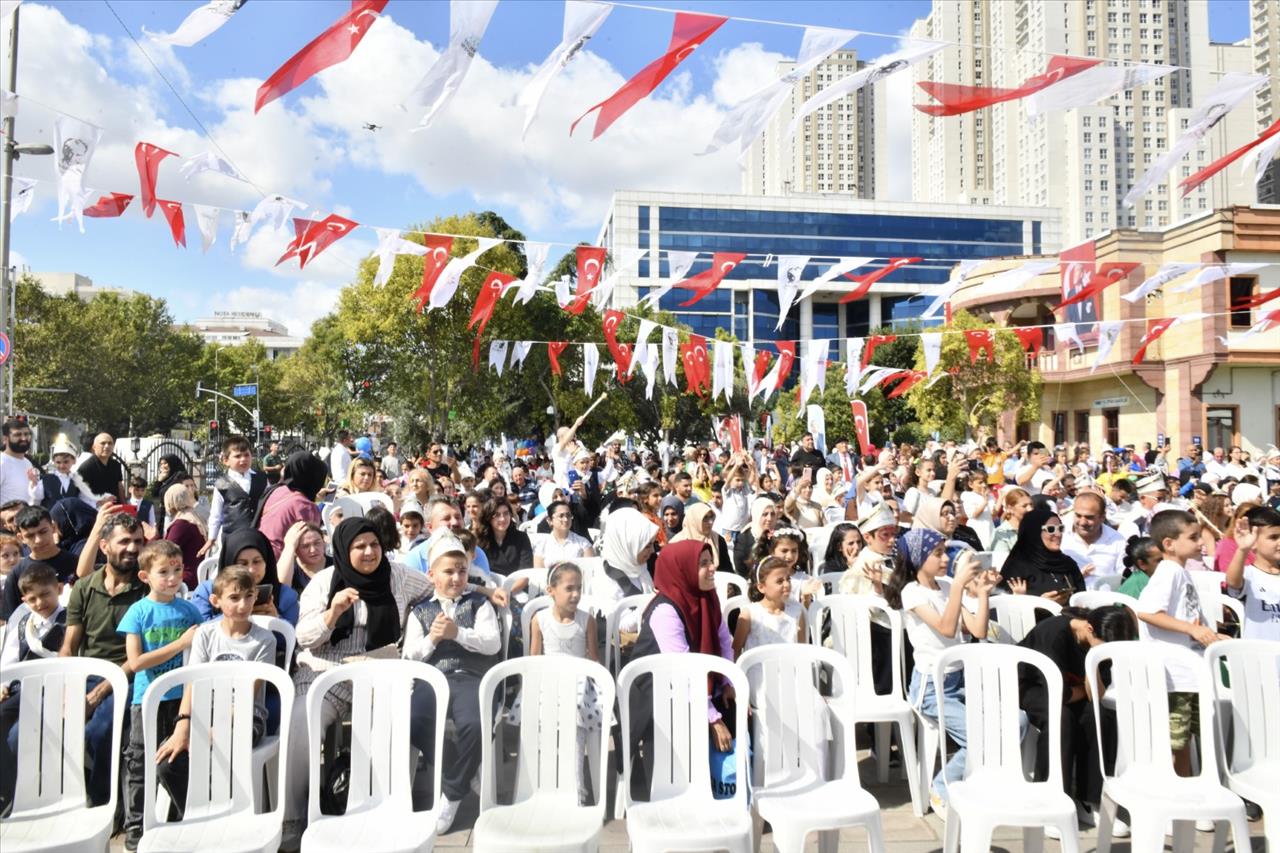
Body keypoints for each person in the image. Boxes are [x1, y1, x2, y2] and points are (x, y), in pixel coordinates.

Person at [283, 517, 432, 846]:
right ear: (343, 549)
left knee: (400, 718)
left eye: (374, 545)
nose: (369, 552)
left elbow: (434, 593)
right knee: (300, 723)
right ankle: (295, 817)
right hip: (326, 668)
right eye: (359, 546)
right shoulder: (324, 583)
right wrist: (331, 614)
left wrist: (419, 626)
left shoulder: (399, 576)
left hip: (381, 664)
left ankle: (392, 804)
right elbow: (305, 637)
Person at [884, 528, 997, 814]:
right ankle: (942, 786)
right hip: (931, 688)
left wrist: (982, 594)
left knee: (1016, 721)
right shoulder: (912, 592)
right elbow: (947, 628)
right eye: (937, 553)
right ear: (920, 558)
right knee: (981, 735)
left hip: (961, 681)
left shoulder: (946, 586)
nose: (945, 558)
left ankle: (974, 777)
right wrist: (958, 587)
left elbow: (978, 629)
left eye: (945, 551)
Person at [153, 564, 277, 820]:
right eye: (234, 597)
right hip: (204, 714)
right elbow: (193, 682)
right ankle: (198, 814)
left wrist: (215, 728)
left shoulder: (264, 640)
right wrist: (183, 727)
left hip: (244, 716)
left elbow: (248, 694)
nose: (243, 604)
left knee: (219, 748)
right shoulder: (206, 634)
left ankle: (222, 814)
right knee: (168, 763)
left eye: (249, 596)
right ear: (216, 601)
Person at [403, 533, 501, 834]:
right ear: (432, 575)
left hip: (470, 678)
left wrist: (458, 633)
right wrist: (433, 638)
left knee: (475, 723)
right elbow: (410, 656)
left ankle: (452, 794)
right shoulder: (421, 611)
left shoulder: (478, 604)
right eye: (449, 571)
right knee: (411, 718)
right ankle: (460, 769)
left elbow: (492, 644)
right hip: (433, 679)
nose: (457, 577)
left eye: (461, 570)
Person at [1017, 606, 1138, 830]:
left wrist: (1093, 661)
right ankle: (1050, 799)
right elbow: (1058, 694)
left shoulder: (1103, 642)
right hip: (1028, 685)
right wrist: (1082, 688)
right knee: (1061, 719)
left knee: (1099, 715)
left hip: (1068, 690)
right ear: (1089, 628)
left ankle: (1088, 799)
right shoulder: (1054, 634)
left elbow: (1096, 694)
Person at [629, 540, 735, 792]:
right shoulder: (665, 610)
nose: (712, 569)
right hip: (657, 691)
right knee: (693, 721)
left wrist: (729, 682)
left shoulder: (708, 597)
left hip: (696, 683)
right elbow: (682, 670)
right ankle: (675, 792)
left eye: (711, 562)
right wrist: (713, 718)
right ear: (683, 569)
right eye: (703, 564)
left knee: (740, 711)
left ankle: (726, 788)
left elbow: (724, 642)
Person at [117, 539, 202, 850]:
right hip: (147, 698)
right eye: (163, 572)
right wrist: (179, 645)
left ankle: (186, 819)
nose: (172, 578)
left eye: (177, 570)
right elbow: (136, 661)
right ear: (145, 576)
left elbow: (203, 649)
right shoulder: (138, 612)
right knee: (139, 764)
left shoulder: (190, 610)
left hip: (182, 700)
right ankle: (136, 830)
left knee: (177, 759)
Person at [1135, 509, 1226, 776]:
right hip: (1173, 675)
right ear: (1169, 544)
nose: (1200, 542)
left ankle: (1187, 790)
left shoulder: (1181, 573)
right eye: (1193, 537)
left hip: (1188, 674)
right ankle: (1172, 792)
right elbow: (1148, 612)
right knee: (1174, 742)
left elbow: (1189, 619)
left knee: (1184, 740)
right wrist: (1191, 630)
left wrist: (1212, 635)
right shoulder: (1168, 572)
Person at [526, 561, 604, 803]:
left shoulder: (586, 620)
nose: (576, 594)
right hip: (549, 680)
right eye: (569, 588)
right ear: (551, 590)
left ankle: (576, 788)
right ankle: (544, 786)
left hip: (579, 681)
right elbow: (534, 660)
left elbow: (593, 659)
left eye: (579, 588)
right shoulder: (539, 620)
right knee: (542, 712)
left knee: (574, 713)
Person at [0, 563, 65, 811]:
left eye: (46, 594)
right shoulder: (23, 624)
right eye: (33, 598)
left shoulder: (68, 619)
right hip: (21, 690)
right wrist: (4, 684)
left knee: (18, 736)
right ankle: (6, 789)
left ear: (58, 590)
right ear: (25, 600)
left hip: (52, 690)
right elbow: (9, 659)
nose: (40, 603)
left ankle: (26, 791)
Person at [191, 528, 299, 625]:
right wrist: (237, 614)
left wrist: (276, 620)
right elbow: (198, 632)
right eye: (242, 563)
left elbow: (292, 641)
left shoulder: (285, 596)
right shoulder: (207, 592)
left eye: (257, 562)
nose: (251, 570)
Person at [2, 505, 80, 618]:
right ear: (21, 538)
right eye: (30, 536)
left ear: (53, 527)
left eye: (43, 532)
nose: (38, 540)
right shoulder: (17, 573)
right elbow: (10, 618)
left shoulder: (76, 563)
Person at [1000, 508, 1086, 604]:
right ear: (1034, 532)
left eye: (1060, 528)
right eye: (1051, 529)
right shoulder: (1017, 567)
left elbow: (1082, 598)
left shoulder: (1067, 564)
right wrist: (1041, 603)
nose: (1058, 534)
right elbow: (1005, 609)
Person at [1222, 506, 1280, 641]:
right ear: (1253, 542)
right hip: (1258, 655)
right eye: (1273, 537)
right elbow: (1233, 582)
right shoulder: (1249, 575)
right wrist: (1243, 549)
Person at [256, 450, 327, 558]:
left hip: (260, 554)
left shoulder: (276, 489)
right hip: (281, 563)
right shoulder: (306, 507)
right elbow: (312, 543)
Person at [204, 435, 267, 553]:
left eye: (246, 455)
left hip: (258, 535)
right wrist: (211, 538)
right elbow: (216, 514)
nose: (243, 459)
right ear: (226, 460)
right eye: (237, 456)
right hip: (232, 537)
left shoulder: (262, 478)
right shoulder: (221, 484)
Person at [732, 556, 805, 656]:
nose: (787, 584)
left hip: (789, 669)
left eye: (788, 579)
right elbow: (736, 649)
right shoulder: (750, 614)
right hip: (758, 671)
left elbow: (803, 651)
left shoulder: (797, 611)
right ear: (761, 587)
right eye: (779, 581)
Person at [1061, 491, 1128, 585]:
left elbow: (1123, 578)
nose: (1082, 522)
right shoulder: (1060, 536)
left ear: (1102, 517)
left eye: (1089, 517)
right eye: (1078, 516)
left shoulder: (1117, 541)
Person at [595, 507, 660, 600]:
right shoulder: (606, 584)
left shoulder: (640, 568)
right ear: (627, 545)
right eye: (647, 546)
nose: (653, 550)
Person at [161, 484, 207, 588]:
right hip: (197, 575)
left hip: (186, 577)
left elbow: (164, 551)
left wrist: (152, 537)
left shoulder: (181, 524)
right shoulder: (193, 517)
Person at [474, 498, 533, 576]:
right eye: (497, 515)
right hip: (489, 585)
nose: (502, 519)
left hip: (517, 585)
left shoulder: (522, 538)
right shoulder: (480, 541)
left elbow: (526, 571)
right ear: (488, 518)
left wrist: (511, 588)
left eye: (506, 513)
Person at [670, 503, 734, 571]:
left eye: (711, 517)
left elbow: (727, 570)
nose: (710, 522)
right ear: (694, 520)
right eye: (705, 518)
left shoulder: (717, 540)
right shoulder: (676, 544)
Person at [533, 500, 594, 567]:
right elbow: (538, 574)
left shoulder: (583, 544)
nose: (566, 519)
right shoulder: (541, 546)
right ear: (550, 520)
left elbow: (589, 570)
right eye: (561, 516)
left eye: (568, 515)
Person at [31, 434, 81, 510]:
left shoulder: (77, 480)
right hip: (50, 519)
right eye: (58, 462)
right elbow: (36, 499)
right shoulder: (46, 479)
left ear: (74, 461)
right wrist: (34, 483)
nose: (62, 465)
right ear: (53, 462)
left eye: (66, 462)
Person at [733, 496, 778, 579]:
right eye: (765, 514)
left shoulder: (779, 533)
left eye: (772, 514)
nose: (769, 518)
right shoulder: (744, 538)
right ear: (756, 515)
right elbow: (740, 568)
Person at [279, 521, 329, 592]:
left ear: (324, 542)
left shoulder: (336, 565)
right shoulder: (290, 571)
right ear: (295, 550)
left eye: (317, 543)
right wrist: (289, 546)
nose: (313, 550)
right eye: (305, 546)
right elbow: (281, 588)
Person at [77, 433, 127, 503]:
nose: (107, 446)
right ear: (94, 447)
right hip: (95, 510)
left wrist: (124, 504)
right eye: (103, 443)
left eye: (110, 443)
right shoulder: (86, 467)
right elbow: (82, 494)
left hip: (116, 508)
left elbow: (119, 486)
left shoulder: (116, 465)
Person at [0, 418, 38, 506]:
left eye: (26, 434)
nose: (24, 438)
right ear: (5, 439)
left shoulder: (28, 463)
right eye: (17, 435)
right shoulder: (1, 462)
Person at [148, 453, 188, 534]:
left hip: (178, 513)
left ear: (172, 463)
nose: (163, 466)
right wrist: (159, 480)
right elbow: (154, 494)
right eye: (161, 464)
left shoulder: (181, 476)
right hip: (164, 514)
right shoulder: (165, 478)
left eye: (165, 463)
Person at [990, 486, 1033, 555]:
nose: (1030, 509)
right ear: (1010, 508)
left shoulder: (1035, 528)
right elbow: (1002, 562)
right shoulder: (1000, 533)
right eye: (1024, 506)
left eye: (1031, 504)